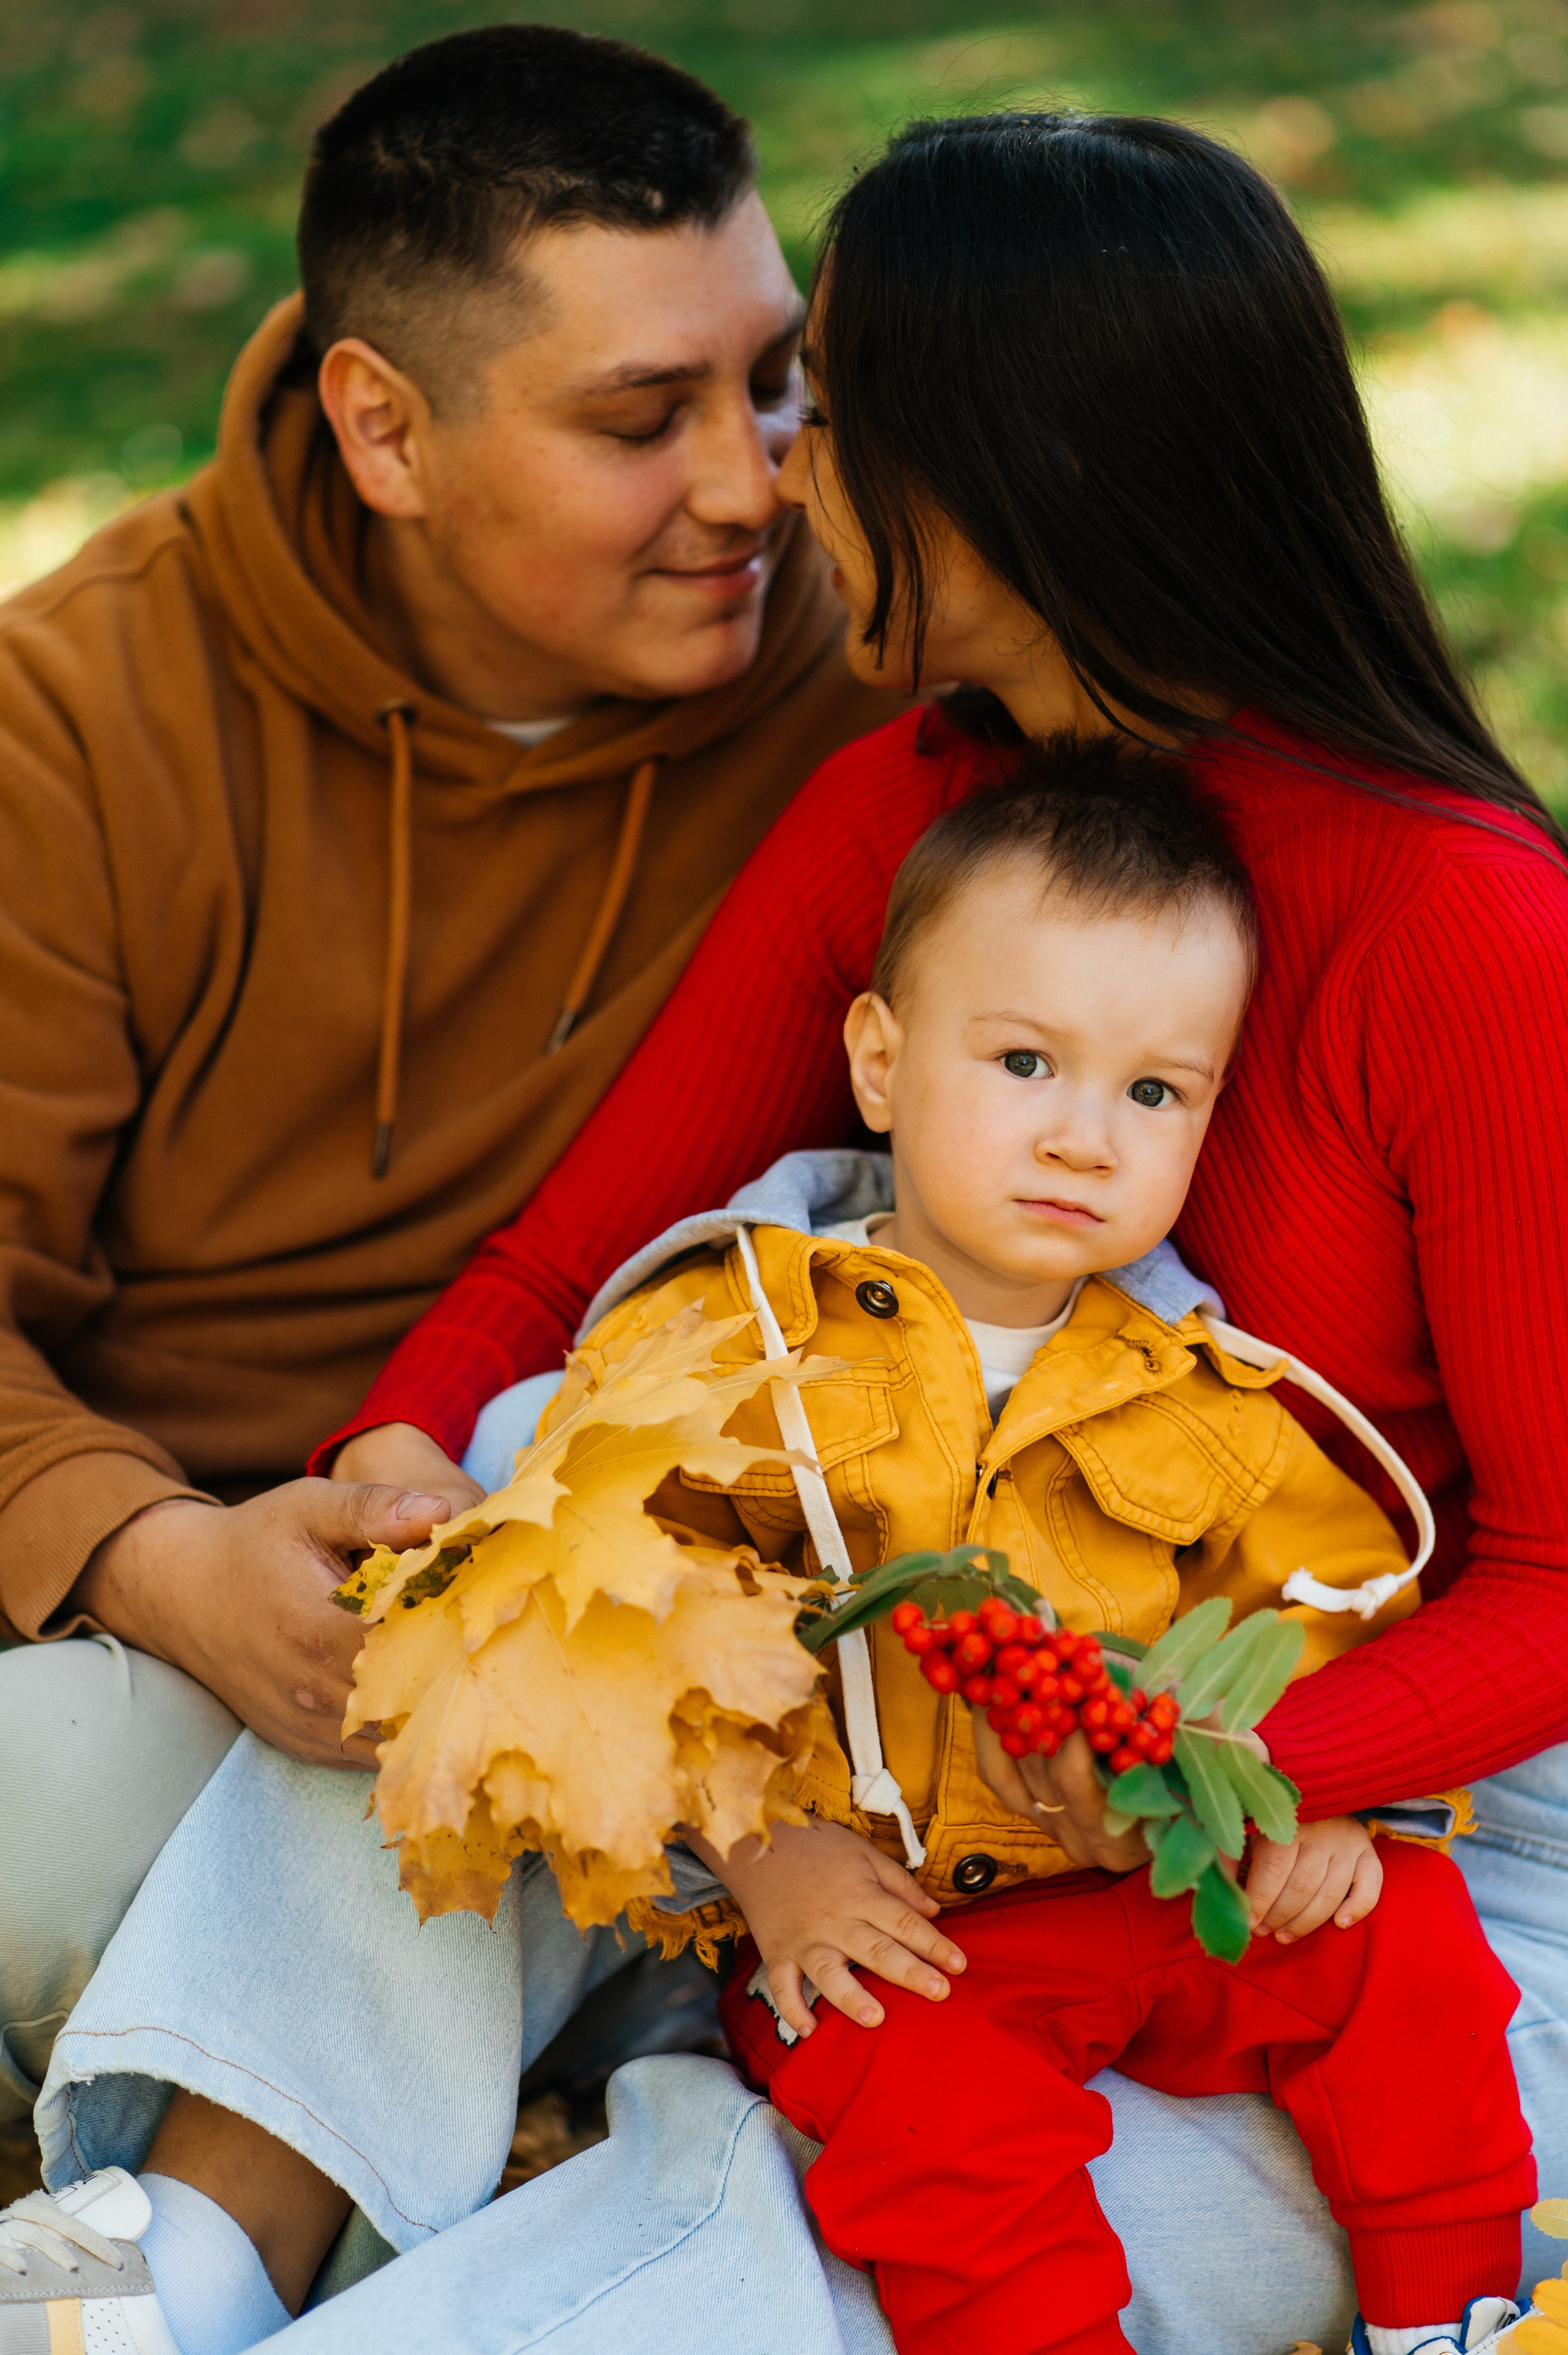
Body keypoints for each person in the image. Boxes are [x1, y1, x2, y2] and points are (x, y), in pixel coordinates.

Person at [19, 107, 1568, 2355]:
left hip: (1352, 1870)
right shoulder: (915, 817)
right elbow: (561, 1277)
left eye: (825, 417)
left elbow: (1559, 1578)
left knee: (850, 2220)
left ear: (1019, 475)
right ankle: (139, 2265)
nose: (776, 485)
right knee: (535, 1504)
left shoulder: (1464, 929)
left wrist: (1210, 1765)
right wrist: (408, 1466)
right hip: (860, 1763)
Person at [0, 19, 902, 2142]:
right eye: (640, 418)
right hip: (243, 1662)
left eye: (775, 379)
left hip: (761, 1695)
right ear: (385, 429)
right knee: (34, 1804)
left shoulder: (884, 650)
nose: (751, 481)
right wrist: (163, 1562)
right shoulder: (78, 721)